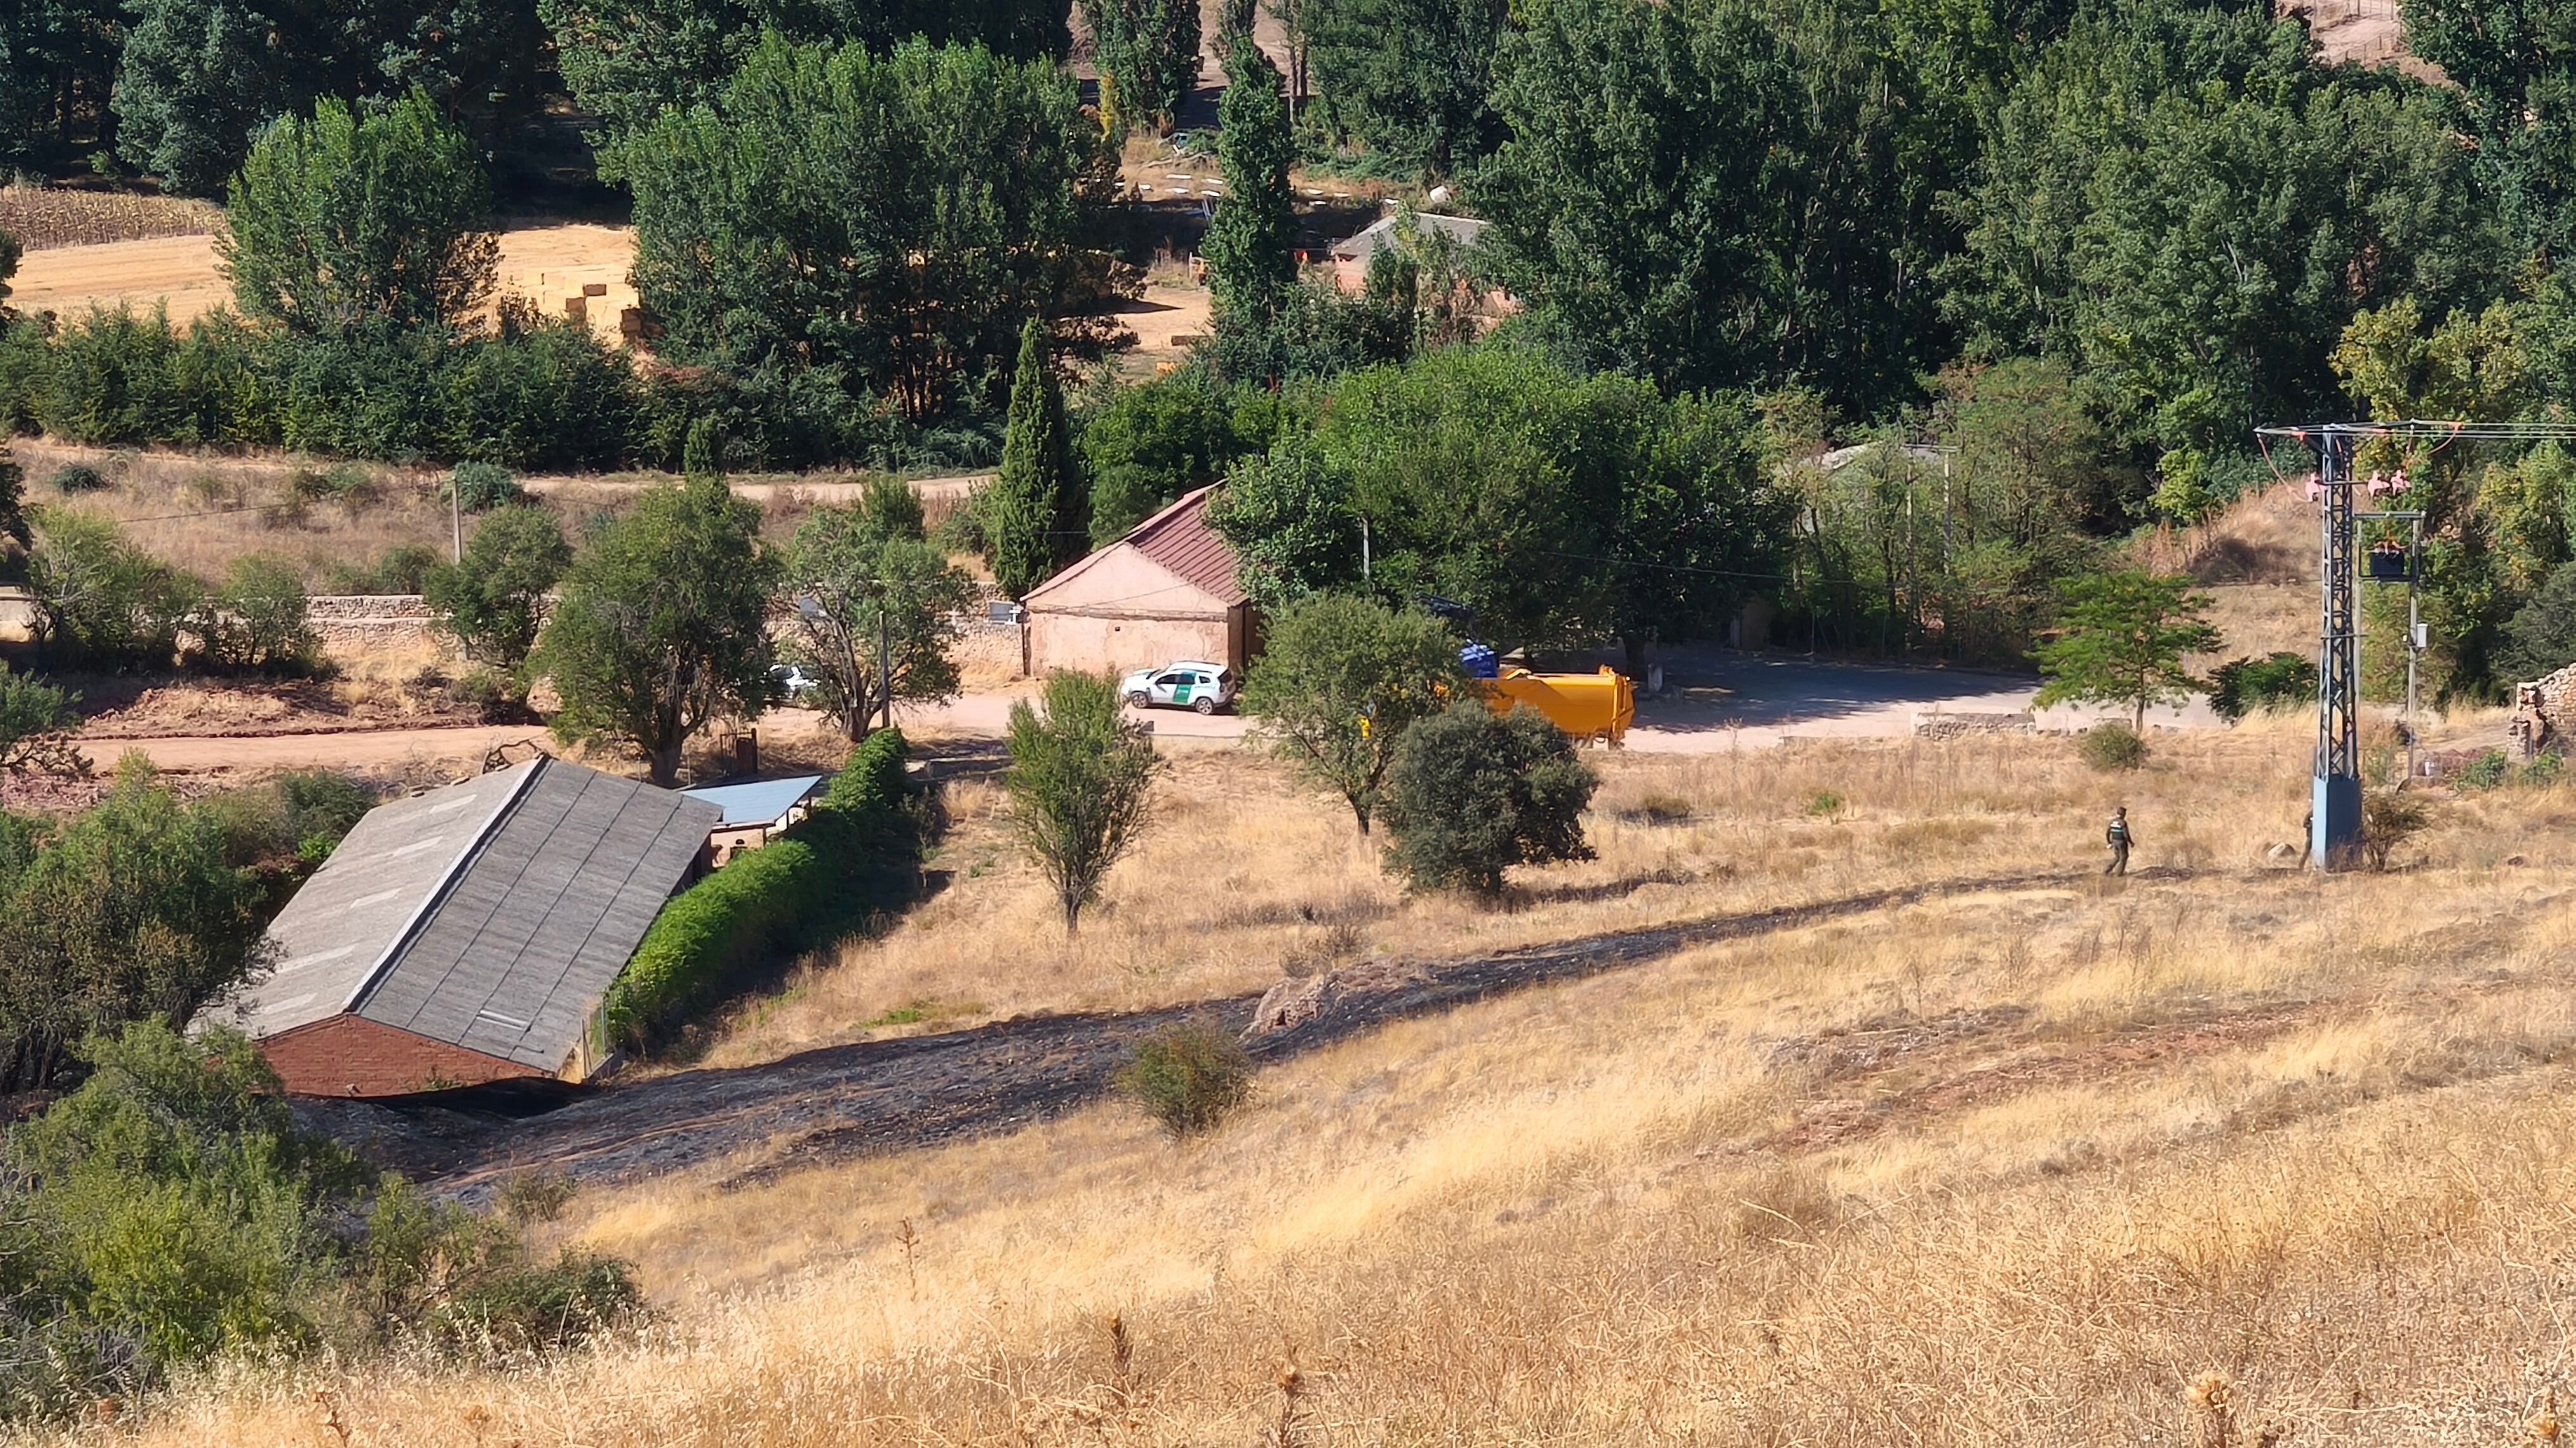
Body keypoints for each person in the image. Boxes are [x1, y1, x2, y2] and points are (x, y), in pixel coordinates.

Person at [2104, 806, 2132, 876]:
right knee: (2124, 857)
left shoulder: (2112, 822)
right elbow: (2126, 835)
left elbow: (2107, 833)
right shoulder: (2123, 822)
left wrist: (2109, 842)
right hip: (2121, 842)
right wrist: (2131, 842)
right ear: (2123, 814)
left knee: (2117, 857)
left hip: (2114, 841)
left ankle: (2107, 869)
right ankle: (2119, 874)